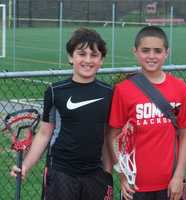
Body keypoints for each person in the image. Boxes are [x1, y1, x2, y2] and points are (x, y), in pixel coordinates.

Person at [10, 27, 113, 200]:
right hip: (61, 172)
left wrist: (108, 172)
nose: (88, 60)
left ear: (101, 60)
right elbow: (44, 134)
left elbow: (107, 135)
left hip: (95, 173)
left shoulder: (108, 92)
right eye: (81, 54)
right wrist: (26, 165)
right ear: (71, 57)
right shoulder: (55, 91)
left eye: (94, 55)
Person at [108, 26, 186, 200]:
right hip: (135, 185)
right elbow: (112, 136)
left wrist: (179, 176)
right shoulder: (123, 90)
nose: (151, 56)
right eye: (145, 50)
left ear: (166, 53)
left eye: (157, 51)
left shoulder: (180, 88)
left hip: (170, 183)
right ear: (135, 52)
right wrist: (122, 174)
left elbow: (185, 134)